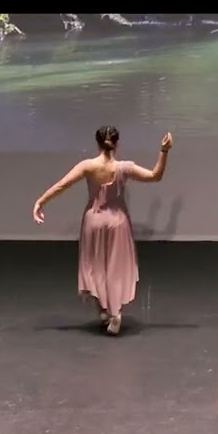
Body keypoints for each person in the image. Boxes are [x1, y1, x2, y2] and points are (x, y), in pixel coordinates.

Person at [33, 126, 173, 335]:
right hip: (117, 221)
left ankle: (105, 311)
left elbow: (62, 185)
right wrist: (164, 151)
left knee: (96, 265)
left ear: (97, 143)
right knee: (115, 267)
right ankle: (114, 313)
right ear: (117, 143)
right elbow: (155, 176)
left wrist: (40, 202)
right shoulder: (124, 167)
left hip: (94, 221)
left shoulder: (88, 166)